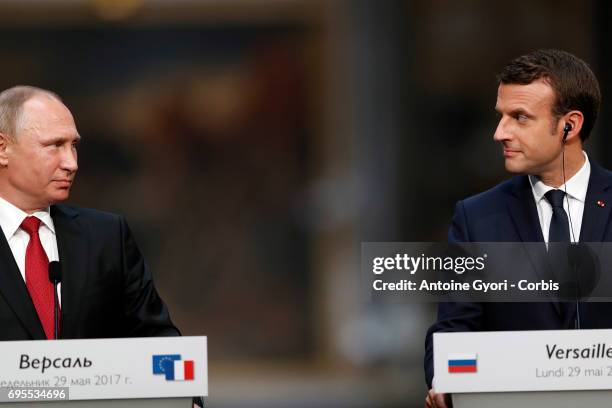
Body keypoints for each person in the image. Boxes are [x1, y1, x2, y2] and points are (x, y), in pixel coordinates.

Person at [424, 49, 612, 408]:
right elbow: (453, 329)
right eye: (501, 117)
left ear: (569, 126)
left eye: (519, 118)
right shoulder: (477, 217)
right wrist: (445, 382)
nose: (499, 133)